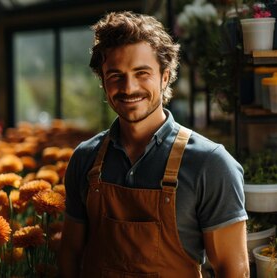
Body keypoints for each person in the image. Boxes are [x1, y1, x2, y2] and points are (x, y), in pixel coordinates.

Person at [58, 11, 249, 277]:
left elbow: (233, 270)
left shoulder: (211, 164)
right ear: (102, 81)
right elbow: (69, 254)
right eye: (115, 75)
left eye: (142, 73)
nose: (129, 87)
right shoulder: (84, 158)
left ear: (165, 76)